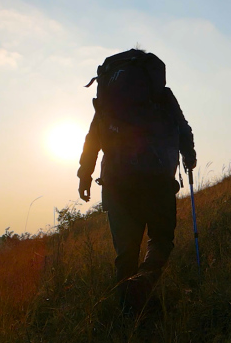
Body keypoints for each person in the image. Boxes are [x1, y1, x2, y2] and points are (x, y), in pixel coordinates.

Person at [76, 49, 196, 313]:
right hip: (158, 181)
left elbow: (92, 140)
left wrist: (85, 175)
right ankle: (144, 283)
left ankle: (127, 311)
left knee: (126, 252)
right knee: (161, 239)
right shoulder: (163, 97)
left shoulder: (109, 104)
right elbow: (183, 127)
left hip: (116, 183)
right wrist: (190, 156)